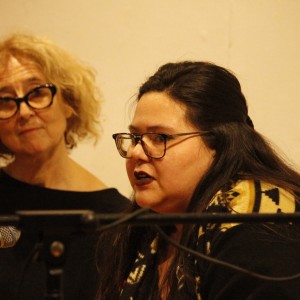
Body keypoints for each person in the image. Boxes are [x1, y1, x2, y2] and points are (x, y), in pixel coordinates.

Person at [96, 61, 300, 299]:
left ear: (218, 142)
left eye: (160, 137)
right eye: (135, 137)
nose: (135, 153)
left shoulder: (255, 224)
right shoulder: (141, 228)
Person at [0, 33, 129, 300]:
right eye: (4, 100)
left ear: (69, 102)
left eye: (37, 93)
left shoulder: (113, 218)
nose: (23, 112)